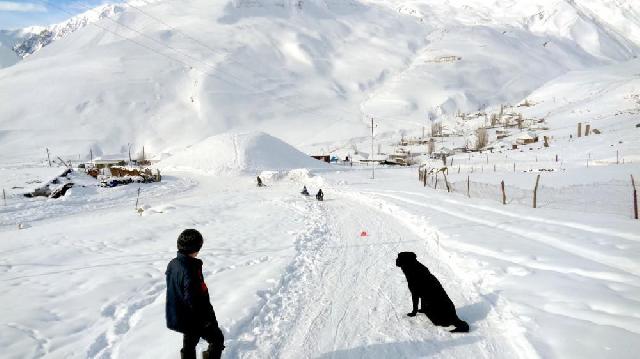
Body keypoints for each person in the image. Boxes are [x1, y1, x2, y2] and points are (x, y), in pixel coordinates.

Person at [166, 229, 225, 359]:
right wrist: (205, 320)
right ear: (195, 248)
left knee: (189, 345)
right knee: (217, 339)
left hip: (181, 314)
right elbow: (193, 298)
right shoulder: (190, 269)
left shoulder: (174, 264)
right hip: (196, 317)